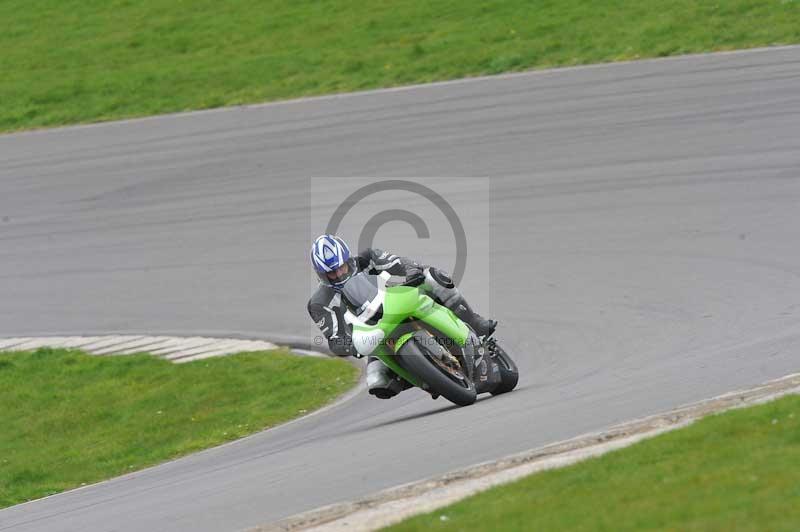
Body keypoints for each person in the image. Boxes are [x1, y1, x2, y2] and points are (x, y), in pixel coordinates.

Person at [307, 234, 496, 399]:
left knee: (434, 277)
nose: (339, 274)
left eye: (341, 267)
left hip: (395, 303)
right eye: (332, 273)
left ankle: (473, 322)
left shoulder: (367, 259)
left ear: (348, 260)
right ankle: (420, 376)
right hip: (372, 335)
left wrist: (413, 271)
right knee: (377, 382)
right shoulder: (319, 303)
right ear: (322, 275)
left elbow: (400, 263)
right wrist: (351, 346)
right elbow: (334, 339)